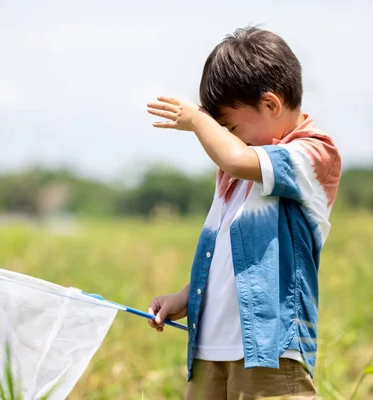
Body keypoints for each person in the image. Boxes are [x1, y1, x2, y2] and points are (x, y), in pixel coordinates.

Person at [146, 26, 342, 399]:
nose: (230, 138)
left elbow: (236, 158)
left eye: (232, 126)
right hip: (209, 350)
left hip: (269, 351)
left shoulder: (313, 154)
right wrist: (185, 298)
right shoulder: (233, 179)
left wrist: (199, 120)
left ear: (270, 104)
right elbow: (225, 257)